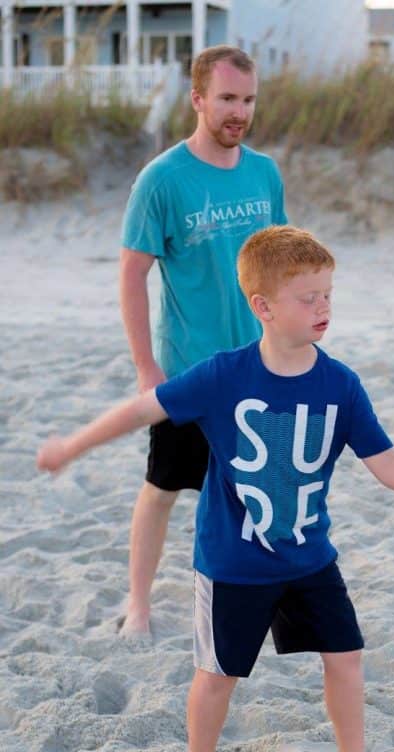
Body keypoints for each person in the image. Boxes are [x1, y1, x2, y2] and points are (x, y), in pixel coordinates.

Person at [37, 226, 394, 752]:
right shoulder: (223, 376)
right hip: (234, 564)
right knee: (218, 675)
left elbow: (383, 463)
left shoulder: (340, 384)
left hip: (309, 557)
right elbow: (140, 410)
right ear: (264, 307)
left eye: (329, 294)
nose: (324, 307)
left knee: (346, 658)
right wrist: (72, 446)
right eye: (309, 298)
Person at [119, 44, 287, 638]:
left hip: (258, 366)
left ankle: (252, 602)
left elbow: (279, 267)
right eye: (227, 99)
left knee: (258, 495)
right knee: (164, 487)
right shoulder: (163, 179)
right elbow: (132, 274)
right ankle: (138, 604)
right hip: (189, 371)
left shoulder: (265, 172)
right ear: (197, 99)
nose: (239, 111)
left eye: (247, 99)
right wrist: (147, 370)